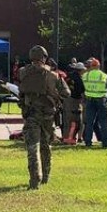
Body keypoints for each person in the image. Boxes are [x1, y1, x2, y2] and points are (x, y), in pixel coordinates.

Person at [18, 45, 69, 189]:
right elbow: (66, 93)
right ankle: (46, 176)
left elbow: (21, 90)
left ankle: (35, 178)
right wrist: (55, 96)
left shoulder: (23, 72)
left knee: (33, 146)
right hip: (48, 115)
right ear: (44, 57)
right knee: (46, 146)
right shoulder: (54, 75)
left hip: (31, 114)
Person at [82, 57, 107, 148]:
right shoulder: (103, 75)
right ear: (98, 66)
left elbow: (83, 86)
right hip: (101, 99)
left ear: (91, 66)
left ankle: (88, 142)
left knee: (89, 122)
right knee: (103, 122)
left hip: (89, 100)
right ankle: (105, 143)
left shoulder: (85, 75)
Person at [62, 61, 86, 144]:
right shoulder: (79, 79)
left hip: (66, 100)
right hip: (75, 101)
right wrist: (84, 101)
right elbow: (82, 92)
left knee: (66, 120)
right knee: (75, 121)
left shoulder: (68, 76)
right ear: (81, 70)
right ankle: (71, 139)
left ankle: (65, 138)